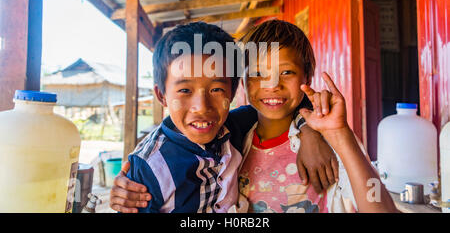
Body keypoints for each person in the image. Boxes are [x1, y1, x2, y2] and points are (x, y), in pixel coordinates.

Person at [112, 22, 338, 213]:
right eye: (185, 91)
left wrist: (308, 131)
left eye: (216, 89)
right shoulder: (149, 169)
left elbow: (289, 103)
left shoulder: (232, 127)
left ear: (233, 91)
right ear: (161, 95)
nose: (201, 108)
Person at [234, 20, 397, 213]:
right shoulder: (233, 145)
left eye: (286, 72)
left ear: (308, 78)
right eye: (258, 73)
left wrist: (340, 134)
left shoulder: (332, 142)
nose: (272, 85)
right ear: (243, 83)